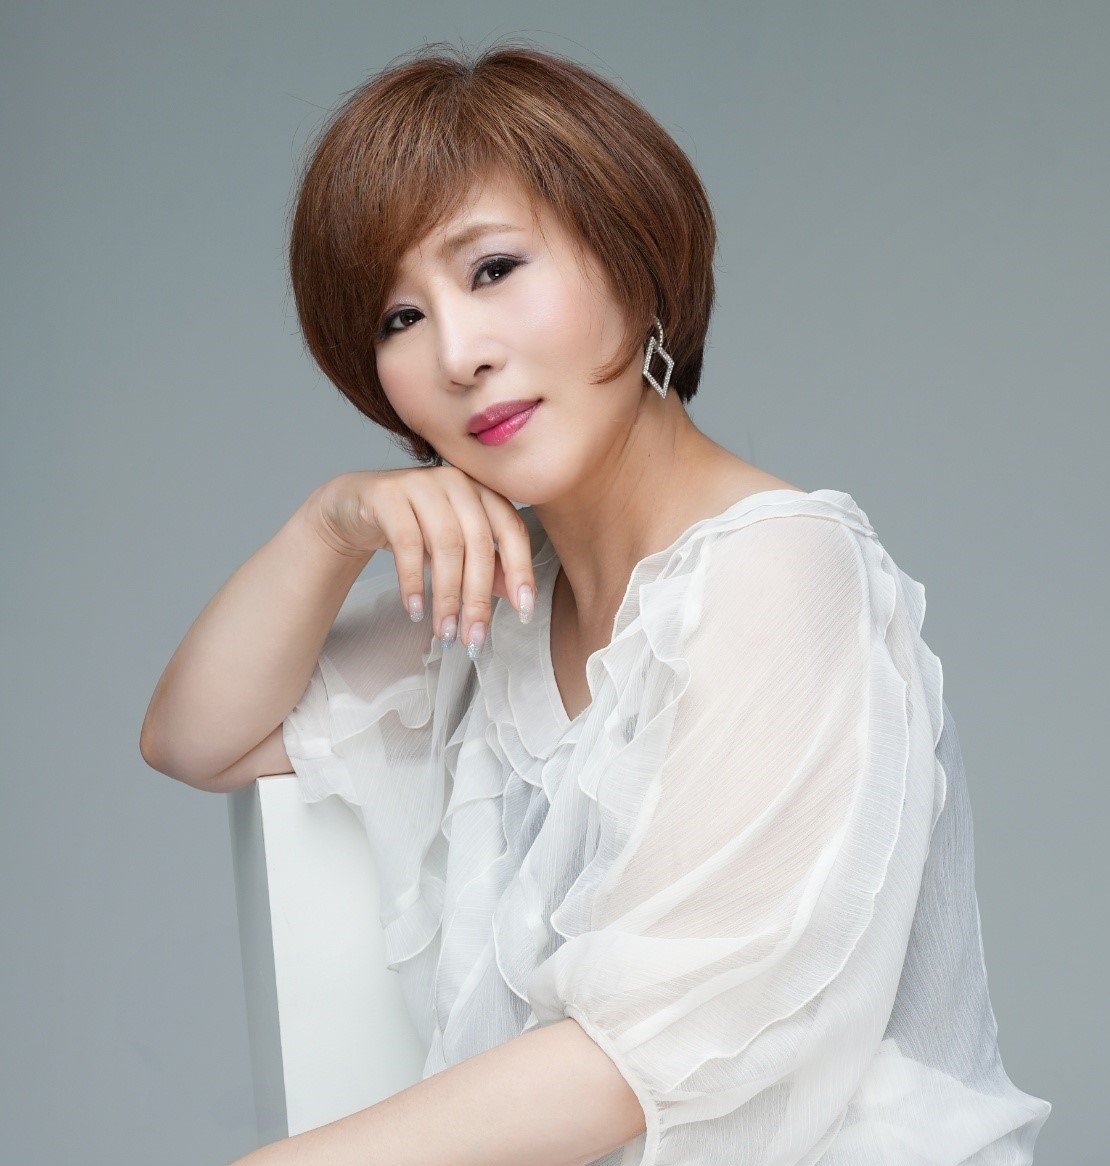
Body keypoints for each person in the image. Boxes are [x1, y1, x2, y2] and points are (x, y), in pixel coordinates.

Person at [140, 42, 1052, 1166]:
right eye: (397, 319)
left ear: (631, 257)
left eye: (492, 270)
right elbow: (196, 737)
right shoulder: (497, 602)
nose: (459, 354)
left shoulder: (781, 570)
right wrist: (332, 524)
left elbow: (644, 1052)